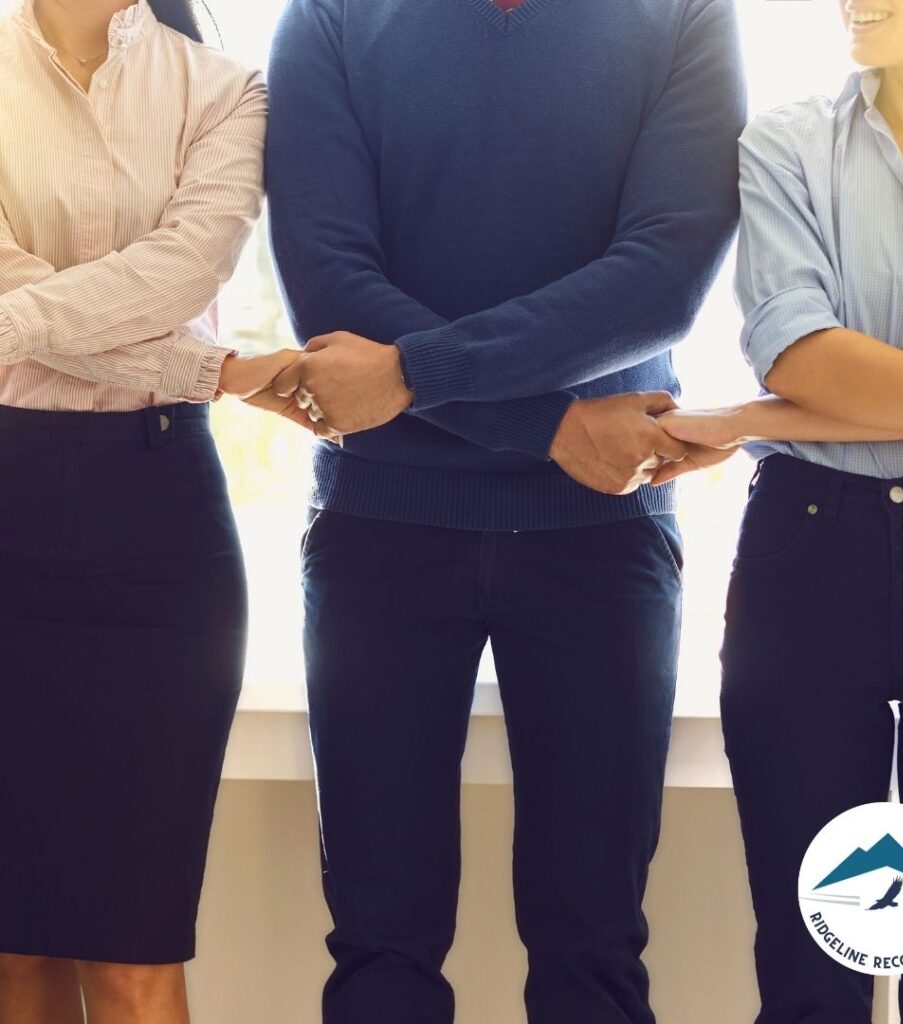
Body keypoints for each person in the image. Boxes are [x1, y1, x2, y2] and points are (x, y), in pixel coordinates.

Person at [263, 0, 746, 1020]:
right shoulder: (332, 16)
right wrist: (550, 427)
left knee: (593, 949)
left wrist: (429, 375)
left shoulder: (685, 12)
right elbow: (329, 286)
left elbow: (663, 276)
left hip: (603, 536)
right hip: (381, 534)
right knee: (380, 947)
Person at [658, 0, 903, 1020]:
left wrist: (745, 419)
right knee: (811, 966)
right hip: (807, 559)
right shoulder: (783, 143)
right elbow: (796, 348)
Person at [0, 2, 325, 1022]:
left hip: (157, 528)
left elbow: (183, 272)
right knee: (12, 949)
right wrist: (215, 366)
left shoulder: (222, 89)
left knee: (138, 954)